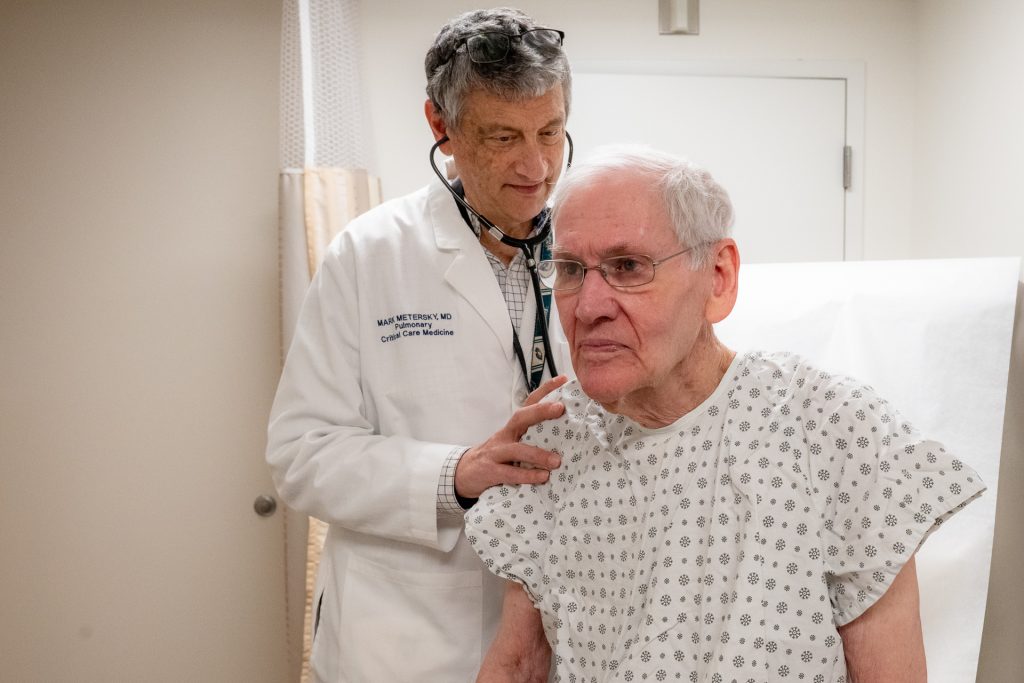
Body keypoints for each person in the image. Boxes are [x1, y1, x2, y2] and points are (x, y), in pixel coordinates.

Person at [466, 145, 986, 682]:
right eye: (571, 269)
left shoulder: (834, 430)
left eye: (627, 267)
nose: (589, 305)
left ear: (718, 277)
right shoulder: (552, 442)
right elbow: (518, 663)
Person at [266, 8, 574, 682]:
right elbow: (300, 454)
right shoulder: (369, 254)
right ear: (441, 126)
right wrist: (453, 473)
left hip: (566, 626)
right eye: (503, 136)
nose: (537, 164)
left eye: (551, 131)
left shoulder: (591, 241)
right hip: (408, 638)